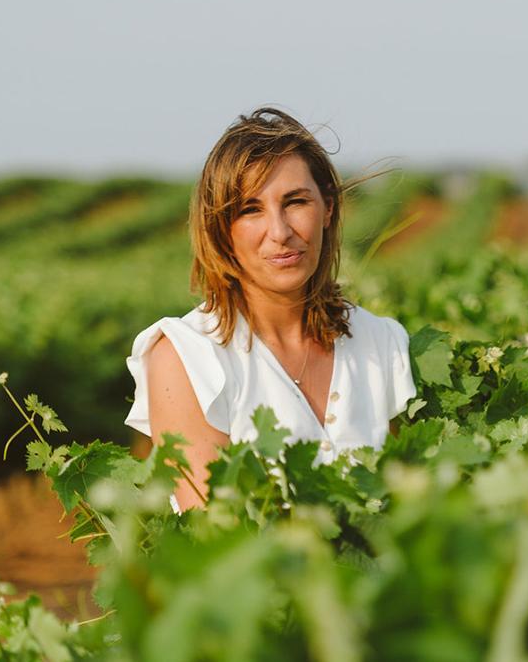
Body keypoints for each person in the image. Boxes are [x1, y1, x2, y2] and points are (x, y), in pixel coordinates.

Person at [125, 108, 416, 511]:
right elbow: (215, 538)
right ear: (221, 227)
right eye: (250, 210)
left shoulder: (384, 345)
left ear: (328, 208)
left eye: (295, 202)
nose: (280, 233)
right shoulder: (186, 358)